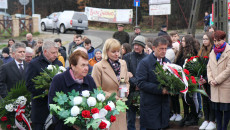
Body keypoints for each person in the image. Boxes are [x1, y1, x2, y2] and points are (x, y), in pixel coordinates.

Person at [48, 50, 97, 129]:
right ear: (73, 66)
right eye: (83, 65)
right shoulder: (59, 80)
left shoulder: (90, 80)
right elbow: (52, 106)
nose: (86, 68)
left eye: (87, 65)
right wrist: (72, 122)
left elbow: (95, 103)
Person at [92, 38, 129, 130]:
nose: (117, 54)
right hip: (106, 108)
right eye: (113, 52)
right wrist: (112, 96)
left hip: (121, 106)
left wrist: (126, 89)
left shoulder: (123, 63)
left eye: (118, 51)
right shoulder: (98, 67)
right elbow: (96, 90)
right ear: (106, 51)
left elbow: (126, 81)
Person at [26, 41, 62, 130]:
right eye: (53, 53)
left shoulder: (59, 64)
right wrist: (44, 91)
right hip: (40, 110)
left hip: (56, 109)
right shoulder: (34, 64)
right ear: (45, 52)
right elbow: (29, 85)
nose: (56, 55)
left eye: (57, 52)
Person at [136, 36, 170, 130]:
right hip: (150, 105)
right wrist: (160, 90)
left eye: (165, 49)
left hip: (164, 105)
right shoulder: (145, 63)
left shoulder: (168, 62)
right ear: (154, 48)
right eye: (161, 49)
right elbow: (141, 83)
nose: (164, 51)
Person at [207, 30, 230, 130]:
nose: (217, 43)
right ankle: (219, 127)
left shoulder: (229, 51)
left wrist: (217, 80)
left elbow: (229, 69)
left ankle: (224, 128)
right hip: (214, 86)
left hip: (225, 85)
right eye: (215, 41)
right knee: (217, 110)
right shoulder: (212, 51)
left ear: (224, 39)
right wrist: (211, 80)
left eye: (219, 41)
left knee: (226, 110)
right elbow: (209, 67)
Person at [123, 35, 147, 130]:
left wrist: (139, 84)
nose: (136, 47)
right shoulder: (127, 57)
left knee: (144, 116)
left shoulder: (147, 58)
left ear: (143, 46)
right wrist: (136, 83)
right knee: (130, 117)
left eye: (139, 45)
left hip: (143, 91)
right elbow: (125, 73)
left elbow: (147, 75)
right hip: (131, 90)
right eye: (135, 45)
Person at [175, 35, 200, 126]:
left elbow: (195, 66)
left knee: (191, 98)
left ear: (189, 42)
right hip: (182, 78)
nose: (182, 42)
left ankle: (194, 116)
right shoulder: (181, 52)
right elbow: (177, 63)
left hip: (190, 79)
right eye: (182, 41)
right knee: (184, 97)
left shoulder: (194, 52)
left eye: (184, 41)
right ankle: (186, 115)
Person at [198, 32, 216, 130]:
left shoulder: (213, 51)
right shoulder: (201, 51)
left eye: (206, 39)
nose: (204, 41)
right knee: (204, 100)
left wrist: (206, 79)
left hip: (210, 80)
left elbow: (214, 68)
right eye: (203, 39)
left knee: (210, 100)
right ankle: (207, 119)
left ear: (211, 40)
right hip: (202, 80)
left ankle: (213, 121)